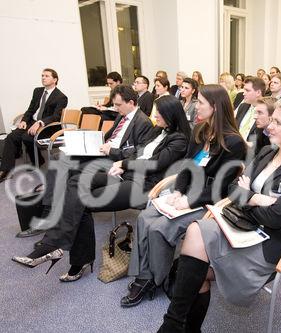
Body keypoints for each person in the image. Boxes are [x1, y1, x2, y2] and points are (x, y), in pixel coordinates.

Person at [156, 95, 281, 332]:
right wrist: (256, 199)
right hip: (244, 225)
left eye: (278, 122)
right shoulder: (267, 154)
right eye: (271, 119)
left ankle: (173, 326)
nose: (269, 126)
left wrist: (247, 196)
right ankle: (173, 324)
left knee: (195, 268)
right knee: (195, 231)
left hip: (271, 241)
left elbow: (276, 218)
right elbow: (233, 188)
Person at [11, 95, 190, 281]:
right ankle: (62, 248)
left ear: (171, 114)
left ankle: (64, 252)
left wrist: (123, 163)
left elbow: (155, 164)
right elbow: (137, 152)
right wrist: (122, 162)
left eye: (159, 112)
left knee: (81, 201)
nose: (155, 115)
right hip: (127, 175)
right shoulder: (157, 131)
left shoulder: (179, 139)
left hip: (145, 186)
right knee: (76, 183)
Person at [122, 84, 247, 308]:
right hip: (186, 194)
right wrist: (178, 190)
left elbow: (221, 188)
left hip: (208, 202)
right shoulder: (200, 132)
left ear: (216, 108)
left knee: (160, 228)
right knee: (144, 218)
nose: (195, 106)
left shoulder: (234, 143)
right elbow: (185, 167)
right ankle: (144, 275)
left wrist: (188, 200)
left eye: (200, 102)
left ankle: (153, 279)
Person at [16, 85, 153, 238]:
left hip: (113, 161)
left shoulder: (143, 122)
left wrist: (111, 151)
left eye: (118, 105)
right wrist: (89, 141)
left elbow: (137, 154)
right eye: (115, 104)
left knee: (68, 169)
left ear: (132, 102)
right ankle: (52, 211)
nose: (115, 108)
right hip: (101, 153)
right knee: (58, 159)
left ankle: (51, 216)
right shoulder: (123, 116)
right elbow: (108, 137)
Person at [0, 68, 68, 182]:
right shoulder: (37, 91)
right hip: (31, 122)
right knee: (11, 137)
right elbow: (30, 110)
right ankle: (5, 170)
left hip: (47, 126)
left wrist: (40, 122)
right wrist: (24, 120)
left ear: (55, 79)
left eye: (46, 76)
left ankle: (38, 160)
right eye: (42, 76)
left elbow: (56, 116)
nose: (43, 78)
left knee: (26, 137)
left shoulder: (61, 97)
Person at [235, 77, 266, 143]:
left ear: (258, 92)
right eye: (244, 90)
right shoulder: (242, 106)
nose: (243, 93)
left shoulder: (266, 111)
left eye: (247, 90)